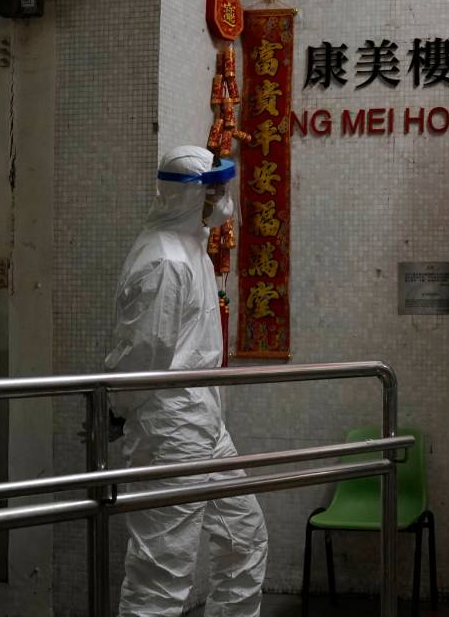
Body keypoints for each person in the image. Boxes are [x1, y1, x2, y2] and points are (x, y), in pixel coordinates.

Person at [105, 145, 268, 617]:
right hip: (171, 428)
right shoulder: (164, 260)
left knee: (244, 539)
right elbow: (142, 356)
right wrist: (117, 409)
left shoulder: (192, 248)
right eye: (214, 190)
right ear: (188, 195)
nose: (222, 199)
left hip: (204, 422)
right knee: (162, 573)